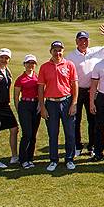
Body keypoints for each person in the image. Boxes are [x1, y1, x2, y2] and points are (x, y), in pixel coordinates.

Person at [65, 25, 104, 157]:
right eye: (80, 40)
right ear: (76, 41)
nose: (83, 42)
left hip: (93, 92)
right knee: (76, 120)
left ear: (88, 41)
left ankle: (91, 146)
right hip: (77, 92)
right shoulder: (70, 56)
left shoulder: (96, 51)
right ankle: (77, 146)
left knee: (93, 120)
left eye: (85, 40)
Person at [37, 41, 79, 172]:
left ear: (63, 51)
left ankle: (69, 159)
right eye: (55, 50)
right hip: (50, 103)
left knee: (70, 133)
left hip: (66, 102)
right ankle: (53, 160)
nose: (58, 52)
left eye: (60, 50)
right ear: (51, 51)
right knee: (53, 133)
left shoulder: (69, 65)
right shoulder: (44, 67)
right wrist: (42, 106)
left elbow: (74, 85)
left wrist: (74, 103)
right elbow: (40, 88)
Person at [14, 54, 41, 169]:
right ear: (24, 64)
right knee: (27, 134)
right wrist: (18, 109)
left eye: (33, 63)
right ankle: (23, 159)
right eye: (28, 63)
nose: (30, 65)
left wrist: (40, 104)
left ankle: (30, 158)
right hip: (24, 105)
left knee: (33, 135)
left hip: (36, 105)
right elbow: (16, 96)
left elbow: (41, 92)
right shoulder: (20, 79)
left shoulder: (38, 77)